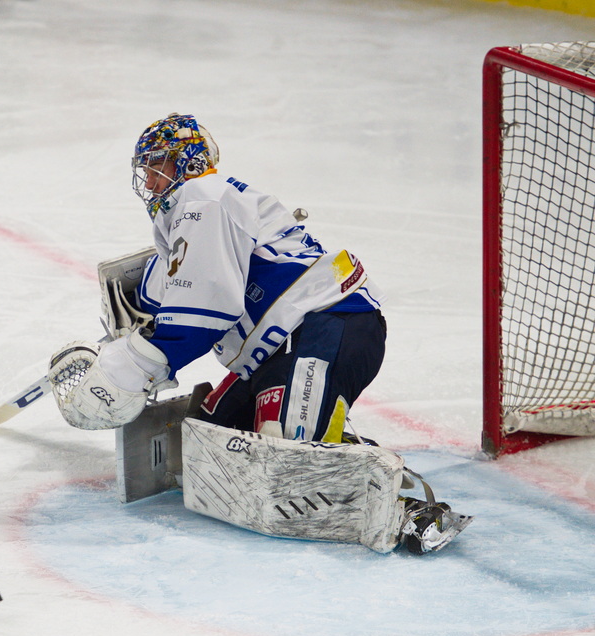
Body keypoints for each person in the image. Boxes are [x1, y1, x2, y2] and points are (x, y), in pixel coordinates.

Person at [48, 113, 469, 554]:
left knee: (287, 460)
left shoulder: (205, 198)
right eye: (146, 171)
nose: (151, 182)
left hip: (329, 325)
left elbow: (201, 312)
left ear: (190, 162)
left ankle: (408, 507)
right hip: (278, 350)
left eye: (159, 166)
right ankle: (323, 437)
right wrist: (114, 348)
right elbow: (152, 296)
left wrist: (130, 367)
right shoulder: (188, 220)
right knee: (210, 439)